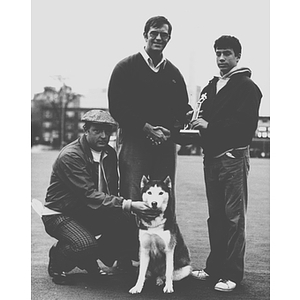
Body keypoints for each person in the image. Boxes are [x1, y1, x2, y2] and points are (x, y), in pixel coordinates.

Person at [108, 15, 193, 269]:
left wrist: (170, 131)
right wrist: (146, 128)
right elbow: (117, 106)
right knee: (133, 195)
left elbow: (182, 109)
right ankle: (126, 257)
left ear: (169, 38)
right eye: (154, 33)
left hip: (164, 144)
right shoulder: (125, 67)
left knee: (165, 199)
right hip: (134, 141)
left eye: (164, 34)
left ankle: (168, 261)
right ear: (145, 35)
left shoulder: (174, 73)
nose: (158, 38)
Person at [41, 110, 158, 285]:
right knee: (86, 245)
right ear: (86, 130)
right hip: (60, 214)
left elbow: (110, 191)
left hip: (87, 210)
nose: (103, 136)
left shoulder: (109, 154)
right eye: (97, 130)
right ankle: (59, 257)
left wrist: (131, 209)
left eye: (107, 131)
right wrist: (129, 204)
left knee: (127, 220)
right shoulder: (71, 156)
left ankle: (90, 256)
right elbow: (89, 194)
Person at [190, 35, 262, 292]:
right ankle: (214, 268)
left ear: (238, 56)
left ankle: (232, 274)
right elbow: (202, 120)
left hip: (232, 158)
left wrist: (210, 126)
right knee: (216, 217)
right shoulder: (210, 87)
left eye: (227, 54)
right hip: (211, 159)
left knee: (233, 219)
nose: (222, 58)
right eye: (218, 53)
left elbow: (245, 128)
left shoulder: (247, 87)